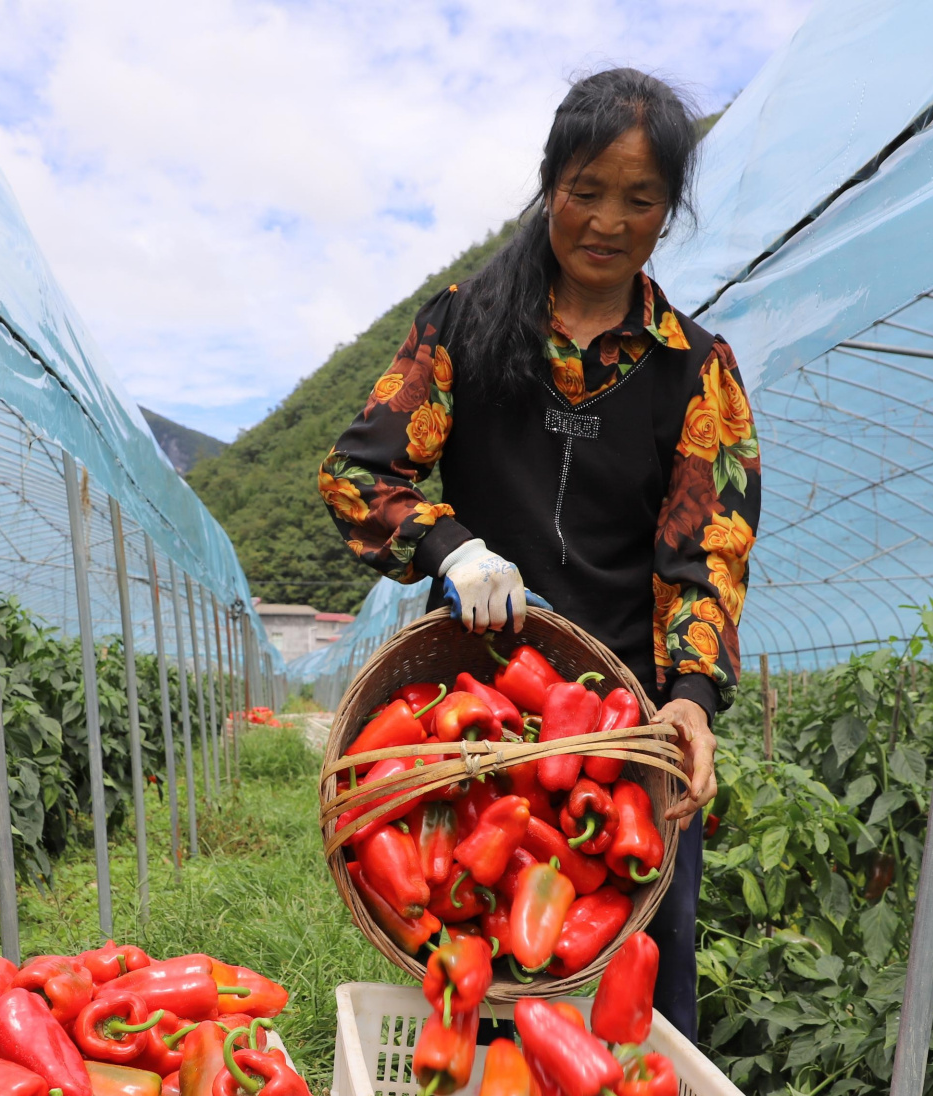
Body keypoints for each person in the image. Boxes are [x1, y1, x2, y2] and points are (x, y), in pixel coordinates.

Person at [317, 68, 760, 1040]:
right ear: (548, 183)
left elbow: (706, 553)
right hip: (481, 723)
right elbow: (357, 478)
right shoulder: (464, 326)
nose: (607, 220)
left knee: (630, 998)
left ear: (666, 211)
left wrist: (687, 698)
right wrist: (449, 543)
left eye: (638, 199)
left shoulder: (691, 367)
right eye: (585, 191)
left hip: (618, 731)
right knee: (473, 975)